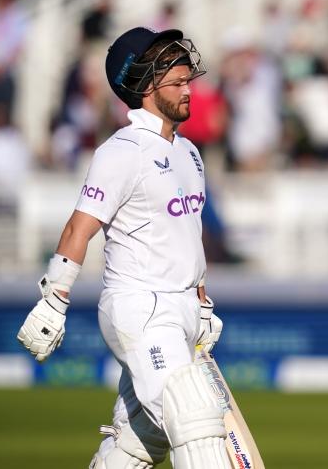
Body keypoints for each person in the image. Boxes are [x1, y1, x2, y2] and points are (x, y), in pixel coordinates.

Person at [17, 27, 230, 469]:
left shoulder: (189, 153)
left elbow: (187, 238)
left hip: (182, 310)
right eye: (178, 82)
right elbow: (80, 226)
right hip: (141, 308)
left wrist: (202, 306)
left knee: (139, 444)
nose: (189, 90)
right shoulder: (122, 151)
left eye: (189, 80)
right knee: (197, 425)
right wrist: (53, 300)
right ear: (145, 86)